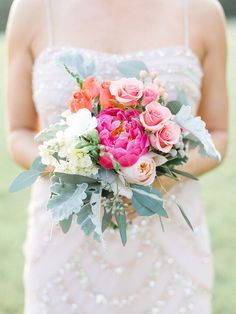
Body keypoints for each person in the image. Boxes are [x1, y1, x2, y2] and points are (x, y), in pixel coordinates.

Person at [6, 0, 228, 313]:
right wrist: (73, 167)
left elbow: (218, 135)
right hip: (65, 242)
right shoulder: (31, 9)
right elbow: (18, 133)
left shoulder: (202, 11)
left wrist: (152, 182)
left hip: (168, 242)